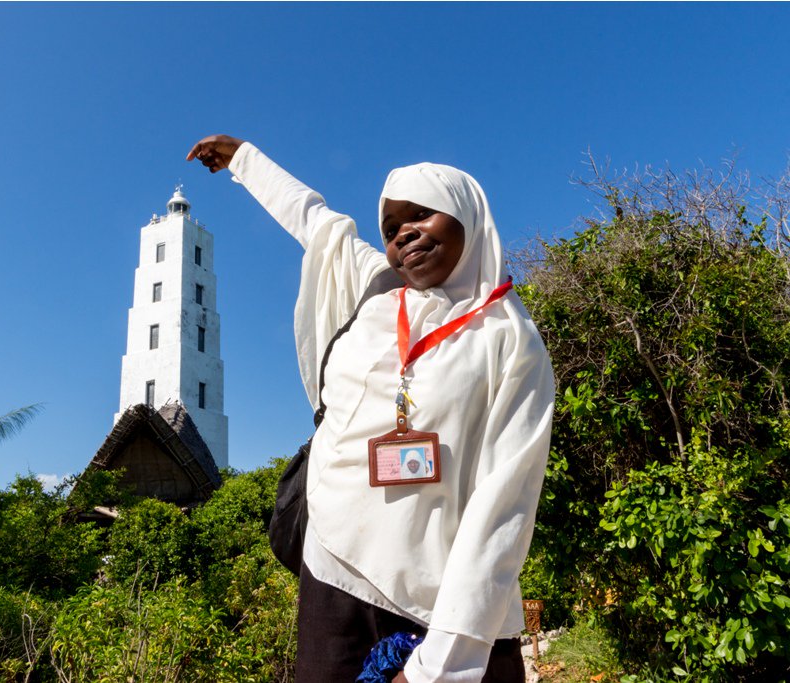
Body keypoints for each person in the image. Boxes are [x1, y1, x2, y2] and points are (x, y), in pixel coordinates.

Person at [187, 135, 554, 683]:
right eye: (390, 227)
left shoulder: (511, 341)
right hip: (334, 571)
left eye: (422, 214)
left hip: (445, 606)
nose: (403, 233)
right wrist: (245, 159)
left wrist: (439, 666)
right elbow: (314, 219)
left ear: (468, 213)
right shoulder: (376, 287)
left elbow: (503, 506)